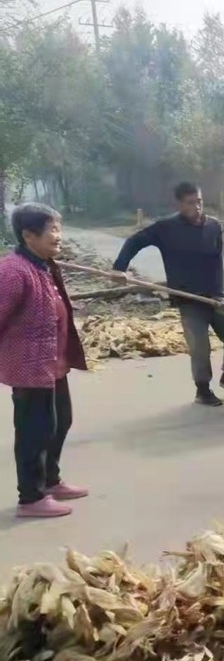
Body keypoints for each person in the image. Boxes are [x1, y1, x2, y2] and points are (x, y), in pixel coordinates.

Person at [113, 182, 224, 407]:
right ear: (179, 204)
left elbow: (217, 262)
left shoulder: (214, 226)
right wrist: (119, 267)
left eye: (199, 201)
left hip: (215, 297)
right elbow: (134, 241)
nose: (197, 207)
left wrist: (219, 293)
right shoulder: (166, 228)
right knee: (199, 346)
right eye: (191, 203)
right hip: (188, 299)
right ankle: (203, 390)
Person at [0, 204, 89, 519]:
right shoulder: (13, 271)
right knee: (34, 430)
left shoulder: (41, 264)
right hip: (29, 365)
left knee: (59, 421)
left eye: (58, 229)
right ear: (28, 235)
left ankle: (50, 480)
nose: (58, 236)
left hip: (53, 362)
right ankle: (31, 497)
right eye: (52, 230)